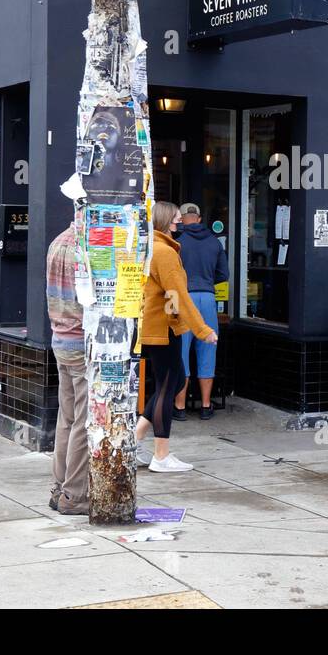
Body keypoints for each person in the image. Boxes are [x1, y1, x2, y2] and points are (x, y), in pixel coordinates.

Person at [136, 201, 217, 473]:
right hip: (163, 331)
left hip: (161, 326)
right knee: (166, 387)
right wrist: (202, 329)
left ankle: (132, 443)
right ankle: (161, 455)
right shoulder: (165, 252)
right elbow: (179, 295)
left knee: (172, 382)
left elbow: (168, 296)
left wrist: (179, 320)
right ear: (164, 220)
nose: (179, 221)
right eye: (175, 218)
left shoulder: (156, 248)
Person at [46, 223, 90, 516]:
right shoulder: (84, 249)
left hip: (60, 338)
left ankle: (59, 487)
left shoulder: (57, 241)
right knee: (83, 422)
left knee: (67, 417)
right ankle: (74, 495)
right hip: (80, 340)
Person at [173, 203, 229, 421]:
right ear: (198, 218)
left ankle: (180, 407)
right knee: (208, 349)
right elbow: (223, 274)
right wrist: (205, 282)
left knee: (181, 351)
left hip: (183, 298)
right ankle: (206, 405)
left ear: (182, 219)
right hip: (207, 298)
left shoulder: (177, 242)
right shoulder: (214, 243)